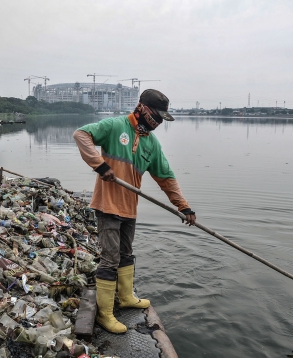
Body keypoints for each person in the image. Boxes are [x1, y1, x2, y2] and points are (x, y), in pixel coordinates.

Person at [73, 89, 196, 334]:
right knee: (110, 259)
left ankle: (126, 296)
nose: (158, 122)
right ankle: (105, 315)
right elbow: (81, 134)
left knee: (126, 254)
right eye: (156, 116)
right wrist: (101, 166)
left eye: (162, 119)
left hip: (130, 207)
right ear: (142, 108)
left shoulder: (151, 143)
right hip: (107, 205)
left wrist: (184, 206)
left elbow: (166, 178)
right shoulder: (115, 126)